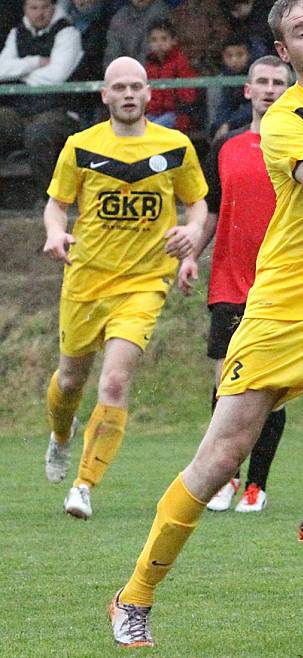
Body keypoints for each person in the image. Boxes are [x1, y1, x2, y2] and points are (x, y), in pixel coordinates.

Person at [108, 0, 303, 648]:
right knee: (221, 458)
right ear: (285, 53)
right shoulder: (285, 118)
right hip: (284, 301)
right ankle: (134, 594)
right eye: (302, 33)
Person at [41, 56, 207, 522]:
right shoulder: (80, 146)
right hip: (87, 278)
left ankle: (84, 486)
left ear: (149, 94)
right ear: (106, 95)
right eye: (120, 87)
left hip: (143, 283)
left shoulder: (174, 146)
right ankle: (59, 438)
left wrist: (193, 237)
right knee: (71, 380)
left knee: (114, 381)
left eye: (137, 86)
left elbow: (197, 205)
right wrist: (56, 233)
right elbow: (56, 207)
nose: (129, 94)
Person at [178, 55, 293, 513]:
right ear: (247, 91)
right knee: (227, 383)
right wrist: (190, 255)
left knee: (274, 386)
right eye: (261, 82)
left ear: (289, 90)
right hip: (229, 283)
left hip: (283, 286)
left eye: (278, 82)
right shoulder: (226, 148)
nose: (269, 89)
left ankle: (256, 484)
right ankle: (225, 476)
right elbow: (208, 211)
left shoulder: (299, 148)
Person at [0, 0, 83, 193]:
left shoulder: (68, 32)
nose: (40, 12)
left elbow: (56, 76)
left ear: (53, 6)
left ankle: (48, 201)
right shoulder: (16, 32)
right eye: (33, 7)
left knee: (38, 133)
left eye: (45, 7)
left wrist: (19, 73)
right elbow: (1, 69)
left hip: (60, 112)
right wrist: (35, 62)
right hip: (21, 112)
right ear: (25, 9)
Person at [171, 0, 231, 76]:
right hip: (183, 65)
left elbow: (223, 36)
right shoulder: (177, 11)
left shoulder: (216, 5)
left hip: (210, 65)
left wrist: (203, 56)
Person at [143, 19, 198, 132]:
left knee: (152, 130)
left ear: (174, 41)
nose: (159, 44)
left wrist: (178, 108)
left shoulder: (181, 61)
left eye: (164, 39)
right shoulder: (149, 64)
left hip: (176, 115)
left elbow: (188, 95)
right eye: (154, 40)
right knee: (137, 128)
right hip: (154, 114)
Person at [103, 0, 169, 68]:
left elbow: (150, 51)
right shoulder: (120, 17)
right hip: (123, 74)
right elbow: (112, 52)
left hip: (153, 73)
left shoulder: (160, 12)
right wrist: (116, 70)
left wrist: (133, 71)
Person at [209, 35, 253, 143]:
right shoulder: (220, 82)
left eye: (239, 55)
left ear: (249, 55)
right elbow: (220, 108)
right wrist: (220, 125)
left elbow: (253, 107)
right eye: (229, 56)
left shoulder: (255, 78)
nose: (234, 60)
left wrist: (229, 124)